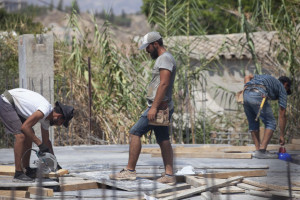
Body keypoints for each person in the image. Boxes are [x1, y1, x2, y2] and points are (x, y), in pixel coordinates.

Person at [109, 32, 177, 185]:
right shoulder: (164, 58)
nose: (147, 51)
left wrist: (153, 108)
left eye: (148, 47)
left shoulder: (165, 59)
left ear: (155, 44)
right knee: (163, 139)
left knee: (135, 132)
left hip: (159, 107)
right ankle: (169, 175)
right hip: (161, 105)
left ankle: (130, 171)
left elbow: (164, 84)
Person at [0, 88, 74, 182]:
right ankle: (18, 174)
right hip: (6, 101)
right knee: (21, 136)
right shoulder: (44, 110)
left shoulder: (47, 120)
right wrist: (40, 144)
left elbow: (46, 141)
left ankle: (27, 169)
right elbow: (24, 127)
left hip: (14, 105)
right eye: (61, 122)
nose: (59, 125)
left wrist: (55, 164)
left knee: (30, 134)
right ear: (58, 116)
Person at [243, 74, 292, 159]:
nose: (286, 92)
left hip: (245, 94)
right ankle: (262, 151)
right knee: (271, 123)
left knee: (253, 122)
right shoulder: (282, 88)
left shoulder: (267, 79)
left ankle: (258, 150)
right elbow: (282, 114)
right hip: (258, 94)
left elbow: (248, 76)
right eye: (287, 90)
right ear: (285, 84)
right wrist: (282, 135)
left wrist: (247, 87)